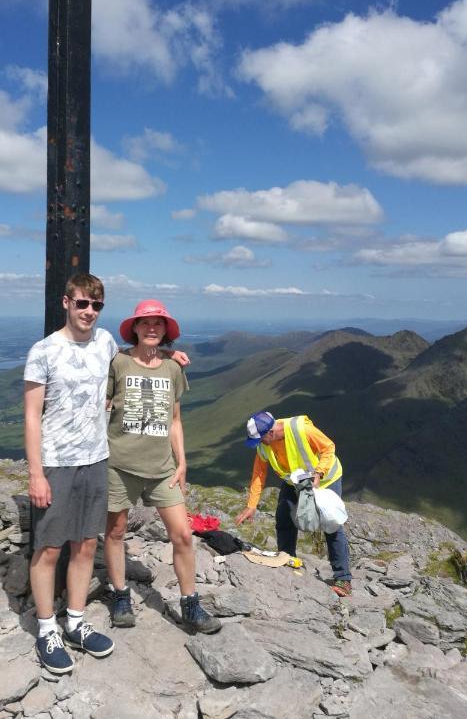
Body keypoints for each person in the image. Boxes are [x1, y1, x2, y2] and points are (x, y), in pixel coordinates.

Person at [24, 275, 190, 675]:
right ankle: (47, 629)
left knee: (84, 545)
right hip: (57, 462)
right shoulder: (43, 351)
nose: (88, 312)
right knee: (49, 548)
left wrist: (171, 354)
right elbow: (31, 415)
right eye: (82, 304)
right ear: (66, 302)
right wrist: (36, 473)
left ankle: (76, 623)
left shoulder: (105, 346)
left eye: (96, 306)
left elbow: (138, 360)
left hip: (98, 458)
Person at [103, 300, 221, 634]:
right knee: (114, 531)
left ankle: (190, 604)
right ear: (135, 328)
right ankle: (121, 594)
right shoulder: (119, 362)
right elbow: (103, 402)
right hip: (120, 463)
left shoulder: (173, 369)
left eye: (159, 323)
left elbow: (175, 420)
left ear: (165, 331)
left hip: (163, 468)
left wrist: (182, 462)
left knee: (183, 534)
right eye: (146, 323)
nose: (152, 328)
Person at [235, 411, 352, 596]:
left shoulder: (301, 429)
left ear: (270, 433)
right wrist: (252, 504)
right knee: (283, 519)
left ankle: (343, 579)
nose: (258, 444)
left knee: (332, 525)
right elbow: (259, 473)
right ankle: (287, 560)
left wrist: (319, 473)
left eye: (259, 440)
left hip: (326, 480)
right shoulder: (264, 445)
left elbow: (328, 448)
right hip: (295, 482)